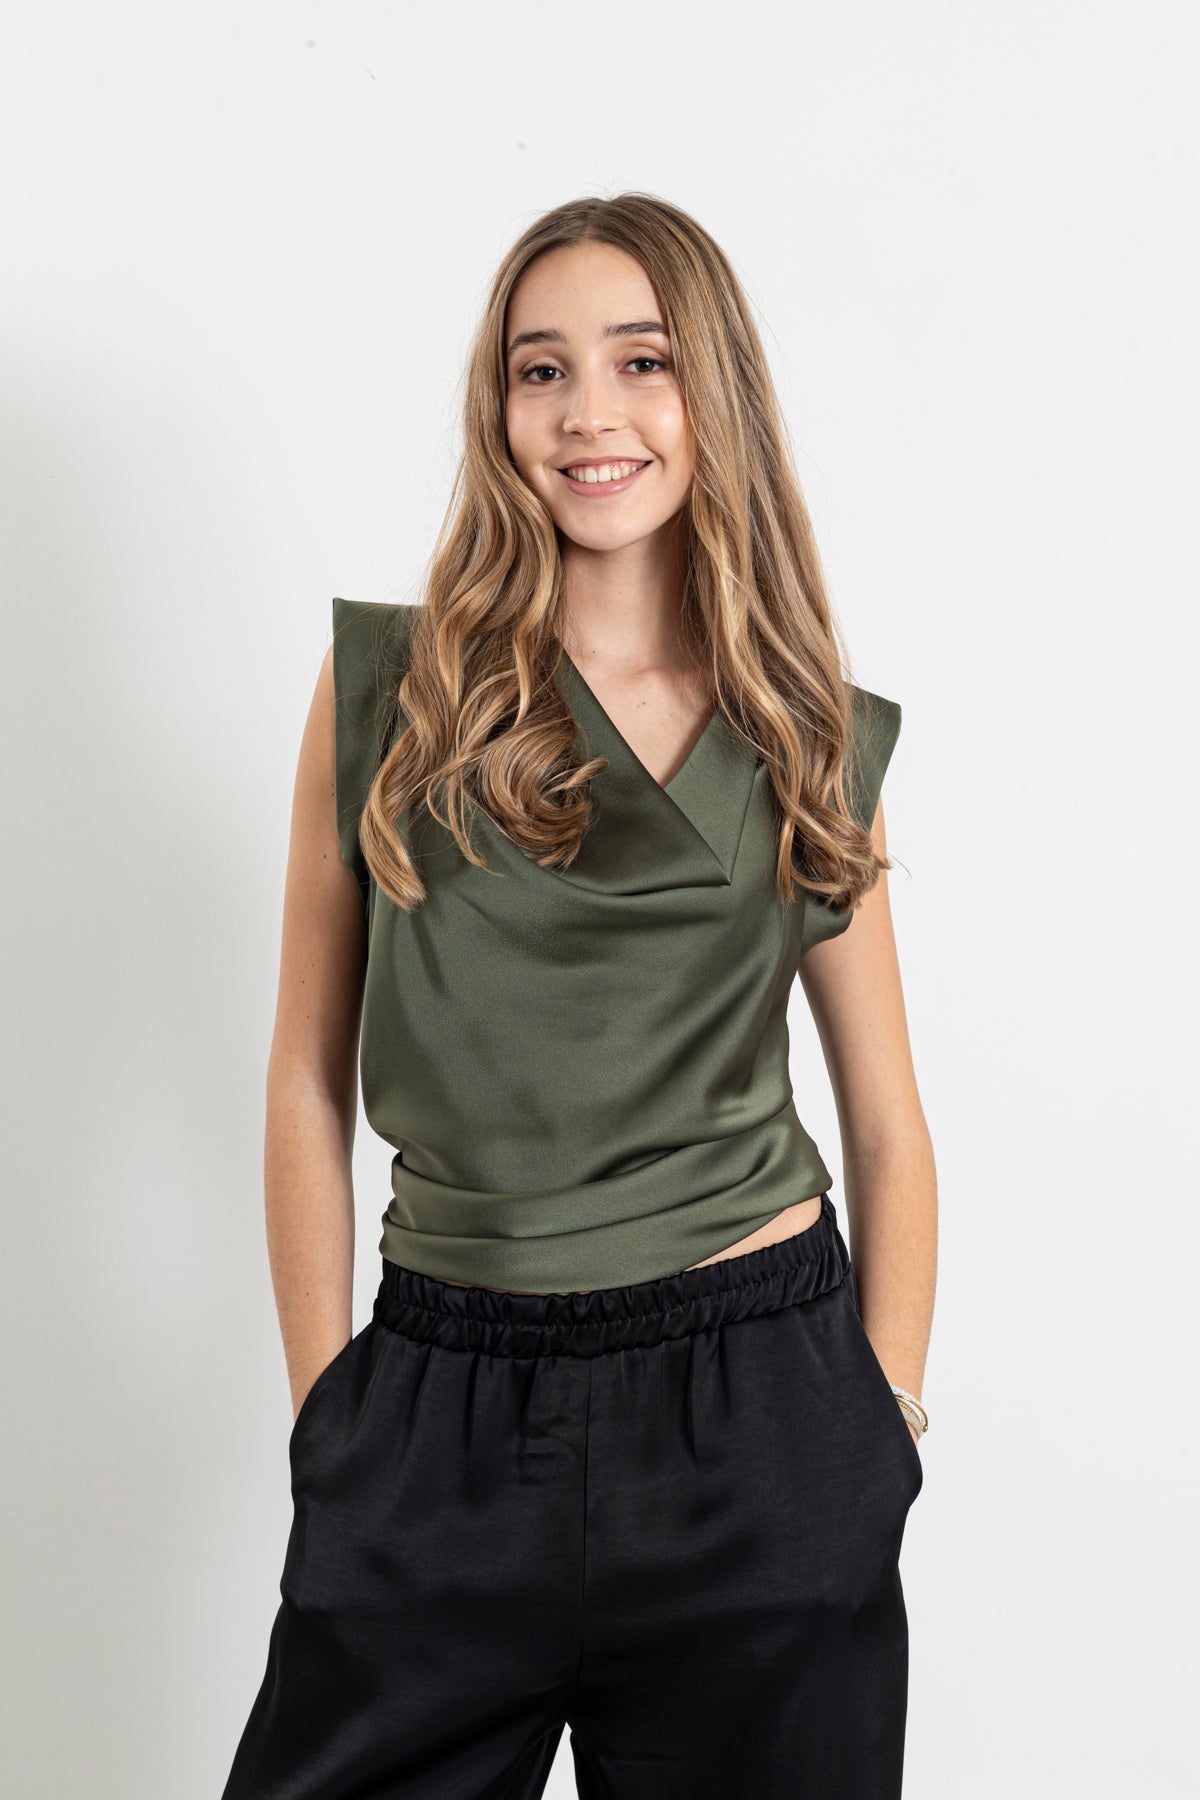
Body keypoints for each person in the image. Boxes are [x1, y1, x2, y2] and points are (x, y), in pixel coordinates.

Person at [220, 191, 938, 1800]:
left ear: (713, 395)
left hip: (758, 1417)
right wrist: (330, 1416)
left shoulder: (808, 733)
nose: (589, 413)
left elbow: (889, 1124)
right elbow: (303, 1078)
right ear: (500, 411)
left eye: (642, 361)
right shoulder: (389, 695)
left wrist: (876, 1433)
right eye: (541, 369)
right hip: (438, 1412)